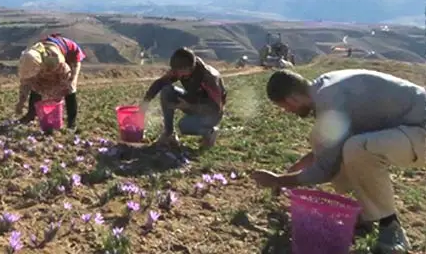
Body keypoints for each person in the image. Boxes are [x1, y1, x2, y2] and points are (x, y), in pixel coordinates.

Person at [251, 69, 426, 254]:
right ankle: (368, 214)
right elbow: (329, 149)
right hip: (410, 126)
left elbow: (326, 168)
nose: (288, 112)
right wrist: (292, 171)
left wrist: (279, 180)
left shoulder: (330, 100)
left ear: (293, 98)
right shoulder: (325, 88)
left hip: (421, 127)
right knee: (345, 148)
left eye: (285, 107)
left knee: (358, 149)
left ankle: (390, 229)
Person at [140, 47, 227, 147]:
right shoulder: (182, 69)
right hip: (192, 100)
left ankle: (209, 132)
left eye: (178, 71)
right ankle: (169, 134)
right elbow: (161, 82)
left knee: (184, 126)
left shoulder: (209, 78)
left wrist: (188, 106)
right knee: (167, 90)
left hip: (211, 113)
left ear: (188, 69)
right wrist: (146, 102)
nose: (175, 74)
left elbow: (215, 108)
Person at [15, 38, 77, 129]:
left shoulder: (55, 60)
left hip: (70, 54)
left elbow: (66, 78)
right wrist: (21, 101)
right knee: (37, 86)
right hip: (46, 63)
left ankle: (72, 123)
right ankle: (30, 115)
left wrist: (55, 96)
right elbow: (25, 83)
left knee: (70, 88)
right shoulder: (27, 60)